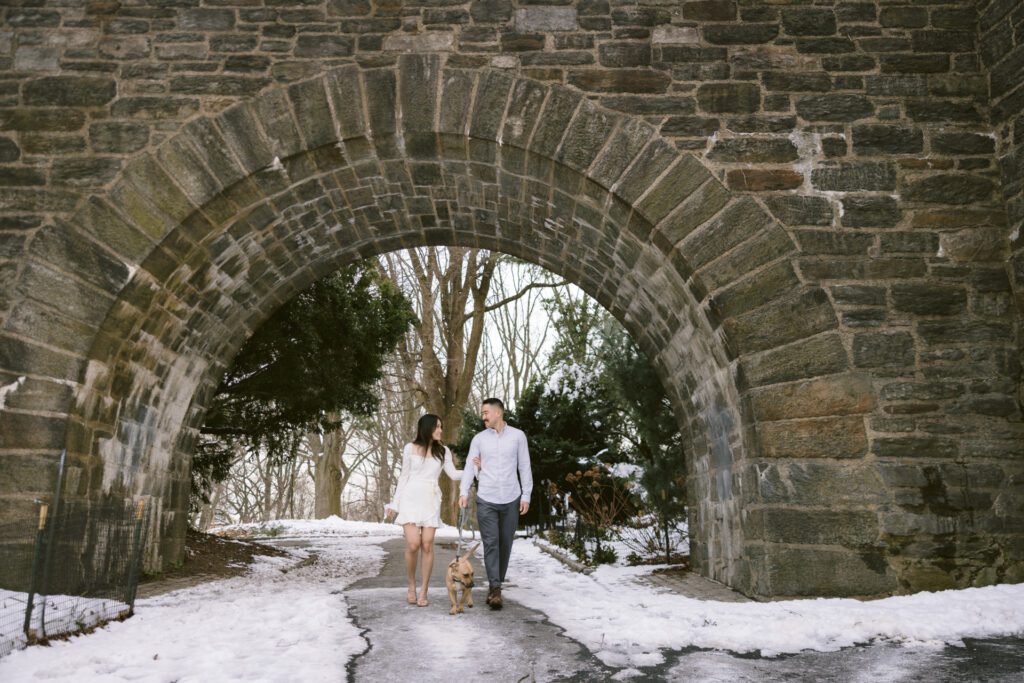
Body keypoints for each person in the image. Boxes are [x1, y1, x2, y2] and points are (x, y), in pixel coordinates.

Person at [459, 397, 532, 610]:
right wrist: (464, 491)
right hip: (487, 498)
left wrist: (526, 495)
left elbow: (524, 466)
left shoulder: (518, 436)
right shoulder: (479, 439)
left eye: (485, 413)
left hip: (511, 497)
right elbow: (469, 467)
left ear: (498, 413)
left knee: (505, 543)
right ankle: (495, 588)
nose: (483, 417)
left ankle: (495, 583)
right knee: (491, 542)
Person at [385, 414, 465, 607]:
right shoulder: (409, 448)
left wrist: (474, 469)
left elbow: (453, 474)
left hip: (430, 499)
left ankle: (424, 591)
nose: (440, 430)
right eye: (437, 427)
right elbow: (403, 477)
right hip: (410, 498)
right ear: (427, 428)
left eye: (441, 427)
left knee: (427, 544)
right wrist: (394, 505)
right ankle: (411, 585)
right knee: (413, 544)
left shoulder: (443, 451)